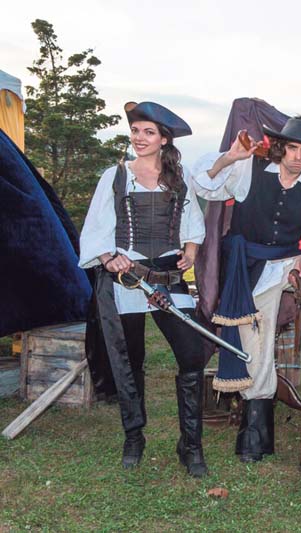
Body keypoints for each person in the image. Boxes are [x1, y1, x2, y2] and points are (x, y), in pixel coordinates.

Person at [192, 116, 301, 462]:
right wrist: (230, 158)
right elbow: (204, 185)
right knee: (255, 337)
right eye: (293, 148)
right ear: (280, 148)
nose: (298, 157)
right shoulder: (251, 170)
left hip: (290, 262)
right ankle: (256, 428)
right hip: (250, 267)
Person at [79, 101, 208, 477]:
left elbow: (192, 222)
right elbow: (96, 227)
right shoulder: (116, 176)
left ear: (164, 139)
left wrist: (190, 251)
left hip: (167, 276)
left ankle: (191, 445)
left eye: (148, 132)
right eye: (135, 131)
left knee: (191, 356)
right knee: (130, 361)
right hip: (128, 278)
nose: (139, 138)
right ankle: (134, 437)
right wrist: (109, 258)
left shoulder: (178, 177)